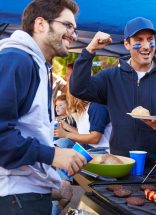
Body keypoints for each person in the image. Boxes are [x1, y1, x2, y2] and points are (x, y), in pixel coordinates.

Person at [0, 0, 87, 214]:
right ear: (40, 24)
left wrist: (51, 183)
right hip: (15, 199)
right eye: (67, 25)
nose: (73, 35)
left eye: (74, 29)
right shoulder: (17, 60)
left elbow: (30, 131)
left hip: (26, 196)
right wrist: (53, 154)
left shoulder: (38, 65)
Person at [70, 17, 156, 164]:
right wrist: (89, 51)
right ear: (126, 44)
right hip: (121, 165)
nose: (146, 46)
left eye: (150, 39)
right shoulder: (110, 77)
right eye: (139, 40)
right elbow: (78, 89)